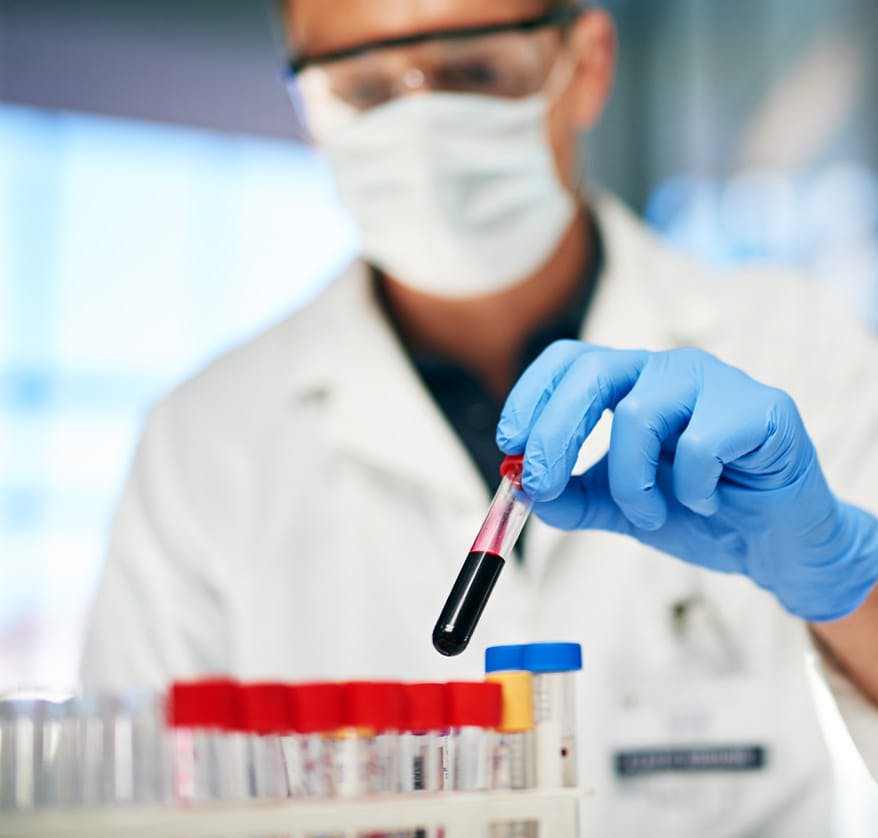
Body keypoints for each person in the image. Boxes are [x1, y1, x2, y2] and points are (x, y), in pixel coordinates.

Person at [82, 0, 878, 834]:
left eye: (475, 72)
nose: (421, 128)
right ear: (311, 111)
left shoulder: (797, 347)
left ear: (588, 64)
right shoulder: (199, 444)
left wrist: (850, 587)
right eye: (364, 87)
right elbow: (128, 815)